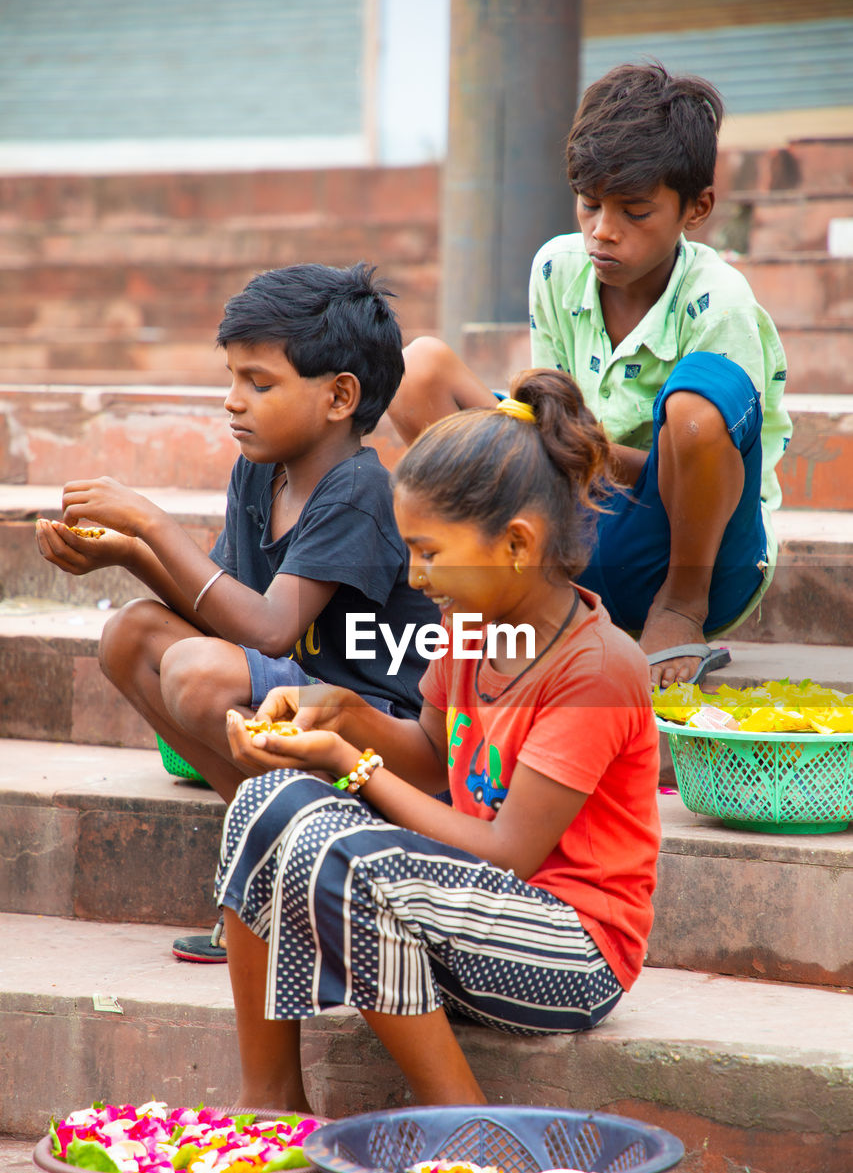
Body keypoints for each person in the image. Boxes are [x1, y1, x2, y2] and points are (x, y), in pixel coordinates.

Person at [215, 368, 661, 1110]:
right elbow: (429, 754)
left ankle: (465, 1130)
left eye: (429, 552)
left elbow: (508, 854)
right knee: (265, 802)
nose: (415, 576)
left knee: (346, 858)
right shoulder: (469, 624)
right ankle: (272, 1111)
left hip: (569, 952)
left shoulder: (601, 671)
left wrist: (350, 765)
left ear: (516, 544)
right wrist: (342, 713)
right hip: (455, 909)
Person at [35, 261, 439, 961]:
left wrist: (155, 525)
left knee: (200, 676)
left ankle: (285, 877)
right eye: (230, 377)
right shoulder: (260, 469)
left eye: (259, 382)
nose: (233, 401)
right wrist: (126, 554)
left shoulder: (358, 491)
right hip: (287, 708)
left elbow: (270, 629)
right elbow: (220, 602)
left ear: (340, 396)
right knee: (127, 634)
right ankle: (272, 854)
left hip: (369, 730)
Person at [386, 62, 792, 692]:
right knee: (420, 370)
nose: (603, 231)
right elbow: (555, 414)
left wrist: (583, 448)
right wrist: (552, 438)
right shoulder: (557, 267)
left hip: (694, 553)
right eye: (589, 205)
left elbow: (702, 455)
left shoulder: (720, 301)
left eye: (634, 212)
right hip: (578, 518)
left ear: (697, 209)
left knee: (693, 405)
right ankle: (514, 588)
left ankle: (678, 612)